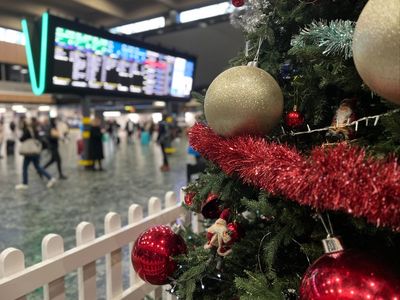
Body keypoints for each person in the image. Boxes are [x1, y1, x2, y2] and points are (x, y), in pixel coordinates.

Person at [15, 118, 56, 190]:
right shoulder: (35, 129)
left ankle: (25, 183)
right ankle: (50, 178)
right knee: (37, 167)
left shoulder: (27, 130)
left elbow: (21, 139)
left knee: (25, 167)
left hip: (29, 152)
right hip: (35, 151)